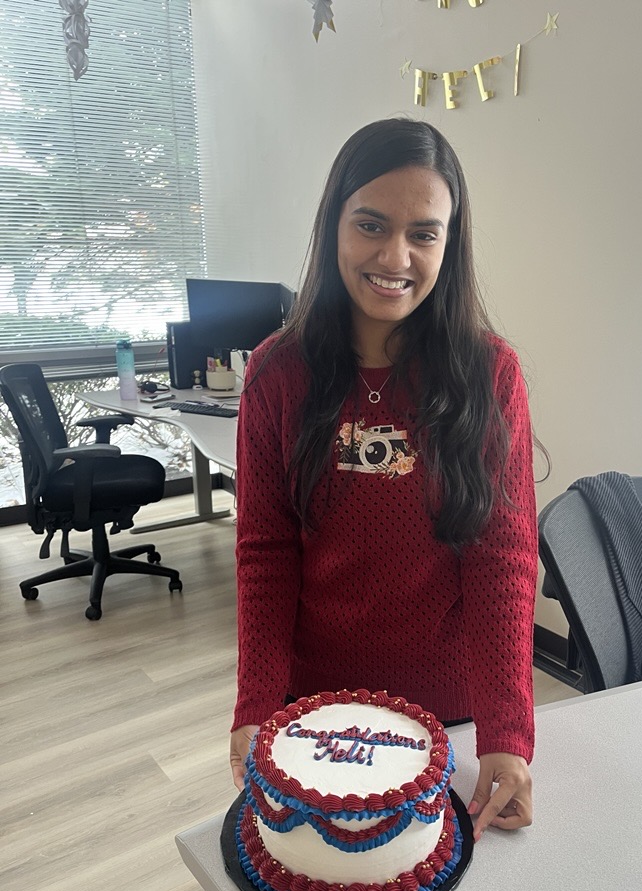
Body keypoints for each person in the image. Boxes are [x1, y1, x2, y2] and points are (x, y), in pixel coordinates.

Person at [229, 118, 539, 841]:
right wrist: (255, 704)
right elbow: (265, 554)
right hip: (315, 713)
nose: (395, 257)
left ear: (449, 245)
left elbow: (503, 560)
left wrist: (507, 733)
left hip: (449, 717)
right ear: (333, 225)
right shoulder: (276, 372)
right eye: (370, 225)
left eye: (423, 234)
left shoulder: (489, 373)